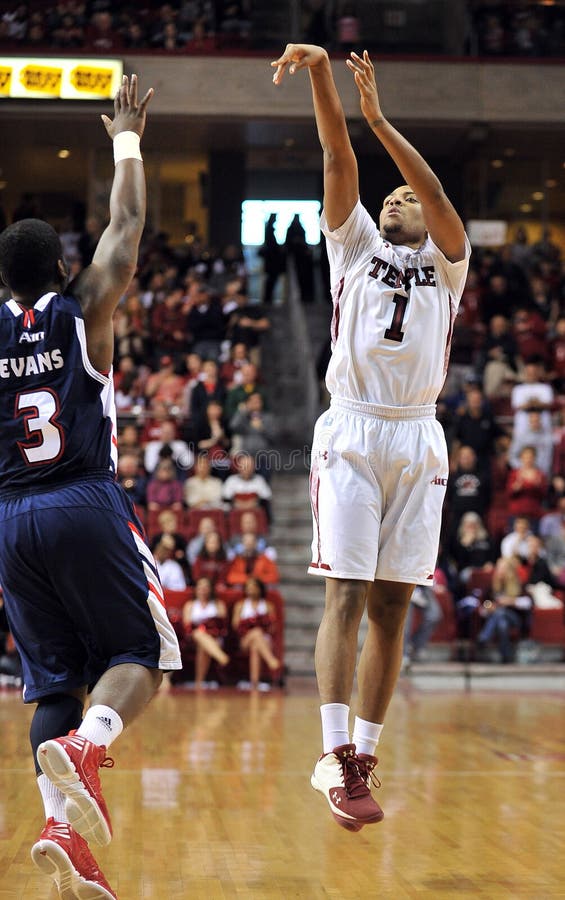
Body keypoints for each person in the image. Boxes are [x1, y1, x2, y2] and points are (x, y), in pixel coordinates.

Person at [272, 43, 470, 830]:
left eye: (405, 198)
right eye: (387, 197)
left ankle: (363, 755)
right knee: (346, 594)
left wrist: (383, 121)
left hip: (418, 436)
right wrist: (324, 76)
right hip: (352, 427)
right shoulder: (352, 248)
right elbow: (333, 154)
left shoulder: (449, 263)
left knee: (392, 608)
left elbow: (436, 195)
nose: (394, 199)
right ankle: (330, 752)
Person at [0, 76, 181, 899]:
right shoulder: (85, 307)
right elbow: (130, 224)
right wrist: (126, 138)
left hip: (10, 519)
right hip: (81, 497)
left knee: (51, 681)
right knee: (140, 654)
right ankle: (90, 745)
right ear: (61, 267)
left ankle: (61, 832)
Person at [232, 577, 281, 690]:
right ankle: (271, 660)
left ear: (260, 589)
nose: (251, 589)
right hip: (245, 640)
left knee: (256, 645)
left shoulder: (268, 605)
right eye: (248, 587)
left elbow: (273, 628)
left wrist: (263, 623)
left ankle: (254, 683)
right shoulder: (240, 605)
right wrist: (249, 624)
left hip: (265, 641)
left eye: (254, 587)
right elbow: (235, 625)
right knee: (256, 632)